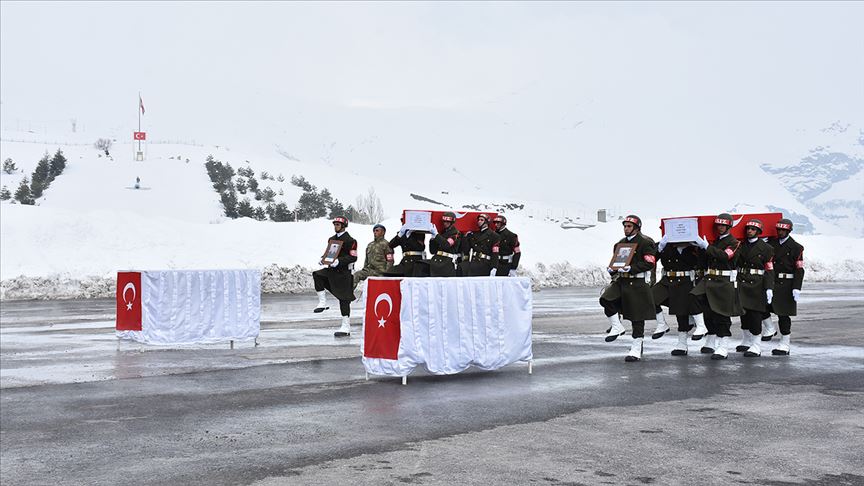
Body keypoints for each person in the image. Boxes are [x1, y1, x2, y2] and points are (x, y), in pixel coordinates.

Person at [599, 215, 658, 362]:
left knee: (637, 317)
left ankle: (637, 346)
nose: (626, 229)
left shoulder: (646, 242)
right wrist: (612, 269)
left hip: (637, 282)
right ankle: (617, 327)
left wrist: (631, 268)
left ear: (637, 228)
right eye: (625, 226)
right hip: (621, 281)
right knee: (606, 299)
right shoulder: (620, 244)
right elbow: (616, 262)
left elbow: (650, 263)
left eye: (629, 226)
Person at [690, 213, 742, 360]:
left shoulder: (735, 243)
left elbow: (725, 256)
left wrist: (706, 246)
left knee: (722, 314)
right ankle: (702, 327)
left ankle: (723, 346)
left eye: (723, 225)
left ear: (729, 226)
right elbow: (705, 260)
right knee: (696, 299)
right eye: (718, 225)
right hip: (710, 279)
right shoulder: (715, 242)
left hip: (724, 282)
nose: (720, 228)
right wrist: (700, 248)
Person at [652, 234, 708, 356]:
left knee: (681, 313)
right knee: (650, 298)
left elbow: (705, 262)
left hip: (686, 281)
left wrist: (703, 246)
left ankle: (682, 344)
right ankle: (662, 325)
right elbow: (651, 259)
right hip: (667, 281)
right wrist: (660, 247)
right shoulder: (665, 245)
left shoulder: (694, 247)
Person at [762, 218, 804, 355]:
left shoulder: (796, 247)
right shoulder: (771, 244)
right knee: (760, 307)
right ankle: (770, 328)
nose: (780, 232)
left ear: (789, 231)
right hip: (771, 281)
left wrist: (796, 287)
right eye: (779, 229)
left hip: (786, 284)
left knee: (783, 315)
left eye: (783, 230)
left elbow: (799, 269)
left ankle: (785, 343)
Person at [734, 218, 775, 357]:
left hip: (757, 283)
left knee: (755, 314)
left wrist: (769, 288)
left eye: (753, 229)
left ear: (758, 231)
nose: (749, 231)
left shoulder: (767, 249)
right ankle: (746, 340)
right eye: (748, 229)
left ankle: (756, 345)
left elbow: (769, 269)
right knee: (743, 313)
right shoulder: (740, 245)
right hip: (742, 281)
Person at [312, 216, 358, 337]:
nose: (335, 227)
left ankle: (346, 326)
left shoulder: (350, 240)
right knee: (317, 275)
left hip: (343, 273)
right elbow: (329, 253)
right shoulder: (331, 239)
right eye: (335, 224)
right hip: (332, 270)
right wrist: (324, 259)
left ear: (343, 226)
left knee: (344, 299)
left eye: (338, 225)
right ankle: (323, 303)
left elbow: (353, 257)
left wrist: (340, 261)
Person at [352, 224, 394, 291]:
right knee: (356, 275)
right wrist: (364, 268)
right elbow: (366, 259)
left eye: (377, 230)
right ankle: (348, 294)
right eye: (374, 231)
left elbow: (390, 260)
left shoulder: (387, 245)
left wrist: (386, 273)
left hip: (380, 272)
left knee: (378, 289)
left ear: (383, 232)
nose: (375, 232)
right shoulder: (370, 245)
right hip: (369, 270)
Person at [428, 212, 462, 277]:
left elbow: (446, 245)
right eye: (444, 221)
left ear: (452, 222)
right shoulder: (442, 233)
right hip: (437, 260)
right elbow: (432, 251)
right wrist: (432, 239)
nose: (445, 223)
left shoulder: (456, 234)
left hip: (447, 262)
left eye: (447, 222)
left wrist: (436, 235)